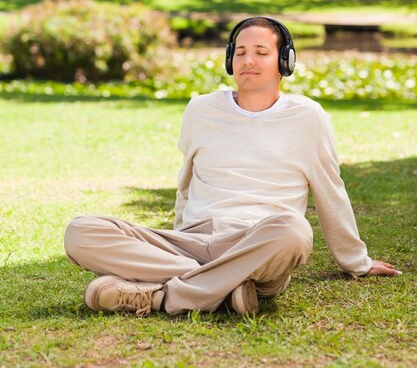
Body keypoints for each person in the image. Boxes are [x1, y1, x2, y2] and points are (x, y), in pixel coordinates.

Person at [64, 16, 402, 317]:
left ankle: (163, 295)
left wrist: (355, 261)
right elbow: (186, 184)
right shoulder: (201, 109)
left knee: (295, 231)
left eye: (260, 52)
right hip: (192, 240)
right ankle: (226, 289)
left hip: (259, 243)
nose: (248, 60)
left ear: (284, 61)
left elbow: (331, 190)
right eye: (240, 52)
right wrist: (180, 234)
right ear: (229, 59)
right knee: (81, 232)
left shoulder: (308, 117)